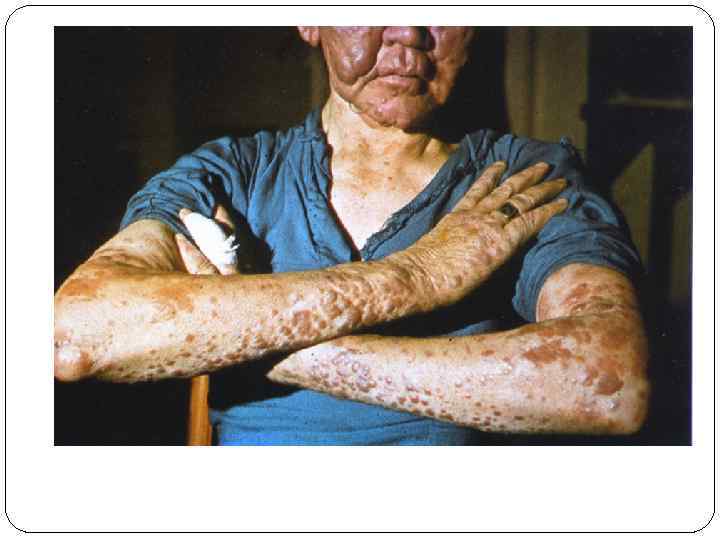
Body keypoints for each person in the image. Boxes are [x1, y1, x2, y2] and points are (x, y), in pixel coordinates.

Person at [54, 27, 649, 445]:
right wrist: (415, 276)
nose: (408, 33)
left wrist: (271, 350)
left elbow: (611, 385)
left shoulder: (521, 181)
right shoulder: (232, 176)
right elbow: (77, 334)